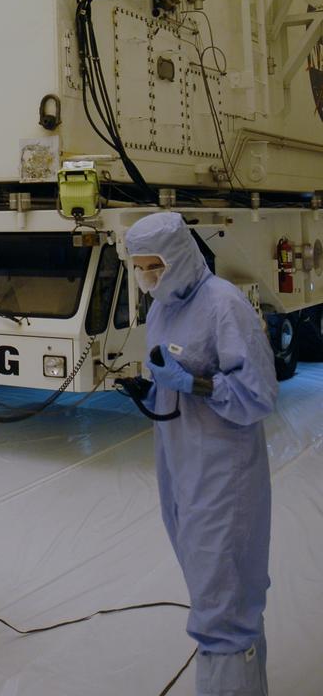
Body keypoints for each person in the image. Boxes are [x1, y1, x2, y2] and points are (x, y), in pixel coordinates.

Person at [125, 210, 278, 696]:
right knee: (208, 582)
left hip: (221, 469)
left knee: (223, 592)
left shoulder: (223, 305)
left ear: (179, 258)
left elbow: (258, 394)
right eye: (140, 267)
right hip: (179, 463)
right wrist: (150, 393)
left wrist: (196, 383)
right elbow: (166, 377)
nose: (148, 277)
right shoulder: (163, 308)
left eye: (156, 266)